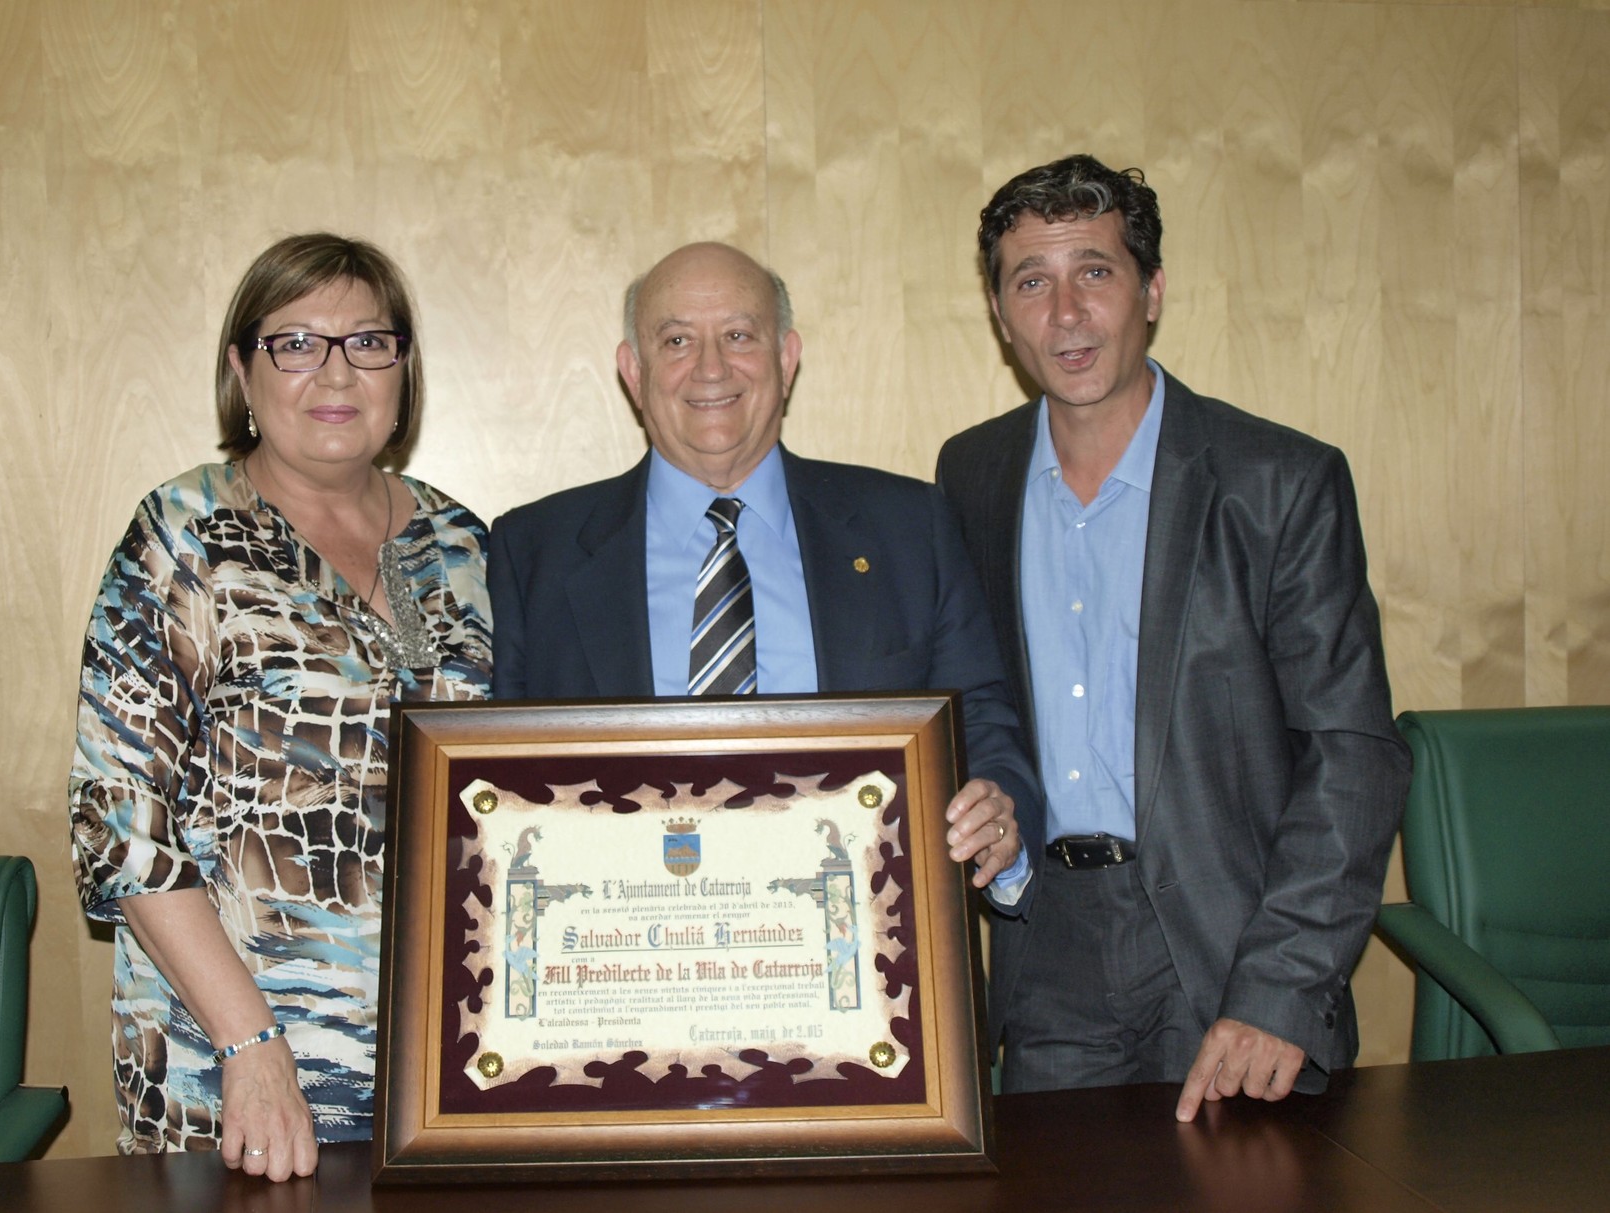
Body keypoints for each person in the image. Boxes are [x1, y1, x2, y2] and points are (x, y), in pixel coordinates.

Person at [936, 154, 1410, 1120]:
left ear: (1153, 290)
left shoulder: (1279, 481)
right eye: (1032, 281)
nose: (1066, 314)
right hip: (1046, 947)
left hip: (1233, 946)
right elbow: (972, 704)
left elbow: (1352, 755)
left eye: (1095, 273)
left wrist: (1281, 988)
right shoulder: (970, 475)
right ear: (1000, 312)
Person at [69, 233, 491, 1180]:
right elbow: (119, 824)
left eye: (367, 342)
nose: (334, 372)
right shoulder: (182, 540)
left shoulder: (466, 545)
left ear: (402, 367)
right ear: (241, 371)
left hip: (447, 1074)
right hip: (234, 1073)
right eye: (296, 343)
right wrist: (250, 1046)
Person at [488, 240, 1042, 903]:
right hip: (617, 969)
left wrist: (999, 821)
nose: (711, 368)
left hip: (860, 964)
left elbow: (978, 724)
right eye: (676, 341)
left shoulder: (907, 529)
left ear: (786, 357)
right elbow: (498, 787)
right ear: (633, 372)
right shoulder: (534, 552)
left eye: (739, 335)